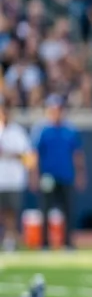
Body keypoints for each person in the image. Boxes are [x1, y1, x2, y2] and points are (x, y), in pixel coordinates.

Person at [30, 94, 85, 249]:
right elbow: (34, 155)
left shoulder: (70, 130)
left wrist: (80, 174)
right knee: (46, 210)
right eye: (54, 109)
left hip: (66, 175)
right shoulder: (41, 129)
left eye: (59, 109)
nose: (57, 112)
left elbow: (77, 154)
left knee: (68, 210)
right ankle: (45, 243)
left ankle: (68, 242)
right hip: (48, 175)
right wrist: (34, 176)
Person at [0, 98, 34, 250]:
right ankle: (8, 238)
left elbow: (28, 157)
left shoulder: (18, 131)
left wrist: (9, 154)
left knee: (12, 211)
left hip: (14, 179)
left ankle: (11, 239)